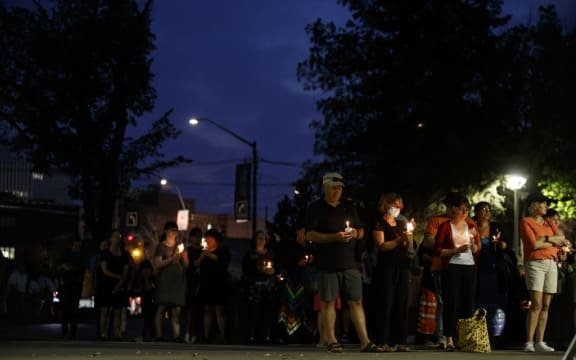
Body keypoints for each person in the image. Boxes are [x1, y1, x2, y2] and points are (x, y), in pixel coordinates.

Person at [304, 172, 383, 353]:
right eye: (334, 187)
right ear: (325, 187)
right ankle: (331, 339)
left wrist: (355, 233)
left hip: (350, 262)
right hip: (327, 263)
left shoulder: (349, 206)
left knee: (356, 301)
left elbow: (361, 230)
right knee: (328, 302)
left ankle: (365, 340)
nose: (338, 190)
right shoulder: (316, 208)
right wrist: (334, 237)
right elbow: (310, 235)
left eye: (340, 187)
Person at [520, 194, 570, 352]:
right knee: (536, 304)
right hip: (535, 263)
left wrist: (546, 239)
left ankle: (540, 341)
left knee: (546, 305)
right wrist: (552, 239)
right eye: (543, 204)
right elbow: (533, 243)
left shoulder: (549, 221)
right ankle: (529, 341)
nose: (546, 207)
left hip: (552, 263)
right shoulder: (526, 221)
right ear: (534, 205)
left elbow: (562, 239)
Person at [434, 192, 481, 350]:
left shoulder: (472, 227)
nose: (465, 213)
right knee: (451, 302)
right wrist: (457, 250)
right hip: (452, 267)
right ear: (453, 209)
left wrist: (473, 243)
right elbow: (439, 250)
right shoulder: (446, 226)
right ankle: (449, 338)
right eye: (462, 209)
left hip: (469, 267)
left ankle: (465, 338)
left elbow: (477, 250)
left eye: (467, 210)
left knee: (468, 302)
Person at [371, 192, 415, 352]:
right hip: (386, 268)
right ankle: (383, 341)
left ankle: (400, 341)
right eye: (396, 206)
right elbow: (381, 246)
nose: (398, 209)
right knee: (386, 303)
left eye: (400, 206)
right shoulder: (379, 224)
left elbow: (408, 246)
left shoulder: (401, 223)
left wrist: (409, 240)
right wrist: (398, 240)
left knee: (401, 303)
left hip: (402, 267)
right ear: (387, 205)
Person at [473, 201, 509, 347]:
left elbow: (506, 245)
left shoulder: (496, 228)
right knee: (476, 302)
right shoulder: (471, 226)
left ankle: (495, 336)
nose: (487, 212)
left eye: (489, 209)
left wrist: (500, 244)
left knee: (495, 304)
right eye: (484, 209)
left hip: (494, 268)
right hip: (476, 268)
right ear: (476, 212)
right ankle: (476, 334)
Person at [153, 221, 189, 342]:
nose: (174, 232)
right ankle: (159, 335)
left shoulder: (180, 246)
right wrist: (172, 259)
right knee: (162, 307)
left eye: (175, 230)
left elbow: (187, 264)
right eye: (171, 229)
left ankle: (177, 335)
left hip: (178, 281)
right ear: (166, 231)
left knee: (176, 309)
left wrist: (183, 257)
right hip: (165, 280)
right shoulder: (160, 247)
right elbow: (158, 264)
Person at [241, 230, 278, 344]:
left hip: (268, 287)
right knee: (253, 312)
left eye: (263, 238)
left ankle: (267, 336)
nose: (261, 241)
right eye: (259, 238)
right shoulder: (250, 254)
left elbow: (277, 268)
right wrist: (258, 270)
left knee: (267, 311)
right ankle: (251, 336)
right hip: (254, 287)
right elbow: (245, 270)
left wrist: (273, 271)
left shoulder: (271, 254)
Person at [195, 228, 231, 344]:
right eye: (207, 238)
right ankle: (206, 335)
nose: (208, 240)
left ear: (215, 239)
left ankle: (223, 335)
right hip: (206, 284)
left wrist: (208, 254)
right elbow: (195, 264)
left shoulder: (222, 251)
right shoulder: (203, 251)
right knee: (207, 310)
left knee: (219, 310)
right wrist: (202, 256)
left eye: (210, 238)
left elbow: (222, 262)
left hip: (219, 284)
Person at [98, 230, 132, 340]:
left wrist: (121, 282)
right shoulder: (105, 253)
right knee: (105, 309)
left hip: (120, 285)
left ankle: (116, 334)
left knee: (118, 310)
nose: (117, 239)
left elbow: (126, 270)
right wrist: (117, 277)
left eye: (119, 237)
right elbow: (104, 270)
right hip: (107, 285)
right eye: (115, 236)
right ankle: (103, 333)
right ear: (111, 239)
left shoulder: (124, 254)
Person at [56, 239, 86, 339]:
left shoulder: (81, 257)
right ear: (72, 245)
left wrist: (68, 268)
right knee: (65, 309)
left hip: (75, 287)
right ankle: (64, 332)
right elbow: (58, 268)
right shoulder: (65, 255)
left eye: (79, 246)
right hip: (65, 287)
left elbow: (80, 270)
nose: (77, 247)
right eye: (75, 245)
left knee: (74, 310)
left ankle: (73, 333)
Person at [184, 227, 204, 344]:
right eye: (195, 236)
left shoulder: (204, 250)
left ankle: (197, 334)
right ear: (191, 238)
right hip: (191, 282)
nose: (197, 239)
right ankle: (187, 333)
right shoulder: (188, 251)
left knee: (200, 311)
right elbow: (189, 266)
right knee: (190, 310)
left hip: (202, 283)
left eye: (199, 236)